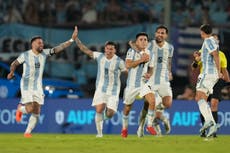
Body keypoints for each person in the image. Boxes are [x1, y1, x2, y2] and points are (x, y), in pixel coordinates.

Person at [7, 26, 78, 138]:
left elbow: (59, 48)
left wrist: (71, 39)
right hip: (26, 85)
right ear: (33, 44)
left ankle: (27, 133)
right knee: (30, 109)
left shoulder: (44, 53)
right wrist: (11, 73)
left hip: (38, 86)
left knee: (37, 110)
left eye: (42, 43)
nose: (42, 45)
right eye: (39, 43)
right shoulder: (25, 55)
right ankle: (20, 109)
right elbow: (14, 63)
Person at [74, 26, 127, 138]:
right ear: (105, 49)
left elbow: (126, 72)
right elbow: (85, 50)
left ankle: (102, 118)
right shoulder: (99, 56)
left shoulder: (119, 61)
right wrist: (76, 39)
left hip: (113, 91)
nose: (109, 50)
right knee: (99, 109)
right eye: (107, 48)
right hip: (101, 89)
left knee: (110, 113)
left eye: (111, 49)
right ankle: (99, 133)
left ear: (115, 50)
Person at [132, 25, 174, 137]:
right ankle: (142, 127)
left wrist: (169, 72)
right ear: (155, 34)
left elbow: (169, 61)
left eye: (162, 33)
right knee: (148, 105)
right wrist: (141, 55)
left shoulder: (170, 48)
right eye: (158, 32)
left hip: (164, 80)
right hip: (150, 81)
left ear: (166, 35)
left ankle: (158, 118)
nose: (160, 34)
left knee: (168, 103)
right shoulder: (149, 44)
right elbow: (132, 44)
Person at [192, 33, 230, 137]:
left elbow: (224, 69)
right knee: (203, 101)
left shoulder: (221, 55)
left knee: (213, 103)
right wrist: (195, 60)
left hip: (216, 81)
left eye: (216, 40)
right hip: (205, 79)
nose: (215, 41)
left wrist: (228, 82)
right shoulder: (202, 51)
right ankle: (206, 127)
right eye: (213, 39)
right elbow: (194, 66)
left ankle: (213, 130)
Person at [121, 32, 154, 138]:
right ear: (137, 42)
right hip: (131, 85)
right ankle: (124, 128)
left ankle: (149, 126)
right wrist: (141, 60)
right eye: (141, 39)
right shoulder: (131, 51)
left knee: (152, 101)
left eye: (145, 40)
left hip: (143, 83)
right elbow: (128, 65)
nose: (144, 41)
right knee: (127, 109)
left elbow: (151, 67)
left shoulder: (150, 53)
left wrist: (150, 74)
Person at [194, 24, 221, 138]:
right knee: (202, 99)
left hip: (208, 73)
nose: (200, 34)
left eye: (201, 32)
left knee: (199, 97)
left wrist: (219, 70)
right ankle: (212, 124)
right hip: (211, 74)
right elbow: (211, 55)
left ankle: (209, 120)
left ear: (203, 32)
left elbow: (215, 54)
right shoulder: (212, 41)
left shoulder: (208, 40)